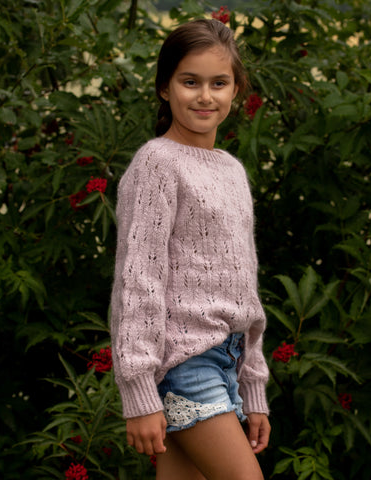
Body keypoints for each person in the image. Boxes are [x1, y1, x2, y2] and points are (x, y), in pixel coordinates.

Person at [110, 18, 270, 480]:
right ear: (165, 88)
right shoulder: (156, 163)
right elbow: (138, 282)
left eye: (219, 83)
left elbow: (244, 289)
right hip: (185, 362)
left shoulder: (231, 170)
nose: (205, 96)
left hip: (229, 359)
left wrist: (253, 387)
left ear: (236, 90)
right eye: (190, 82)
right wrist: (139, 393)